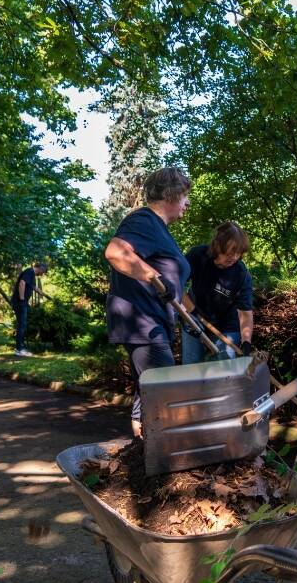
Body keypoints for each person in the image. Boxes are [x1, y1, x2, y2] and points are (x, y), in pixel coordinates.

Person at [104, 167, 192, 439]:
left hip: (155, 323)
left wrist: (182, 310)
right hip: (143, 321)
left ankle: (143, 450)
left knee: (151, 390)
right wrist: (154, 276)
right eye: (185, 196)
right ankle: (161, 458)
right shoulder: (144, 220)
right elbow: (115, 252)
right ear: (171, 194)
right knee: (165, 394)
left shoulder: (159, 229)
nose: (187, 203)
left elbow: (168, 282)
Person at [181, 221, 255, 364]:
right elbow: (177, 283)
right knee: (191, 365)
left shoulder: (241, 274)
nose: (234, 257)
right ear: (217, 246)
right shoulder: (198, 256)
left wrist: (246, 342)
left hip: (227, 327)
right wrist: (193, 312)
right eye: (230, 252)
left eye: (238, 253)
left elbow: (245, 313)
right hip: (194, 318)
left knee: (224, 366)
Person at [11, 262, 48, 356]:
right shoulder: (29, 272)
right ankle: (19, 349)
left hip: (21, 302)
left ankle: (20, 348)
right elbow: (22, 283)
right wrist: (22, 299)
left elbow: (34, 287)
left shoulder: (31, 274)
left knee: (22, 324)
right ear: (40, 268)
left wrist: (44, 294)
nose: (42, 274)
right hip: (20, 302)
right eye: (43, 271)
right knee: (22, 325)